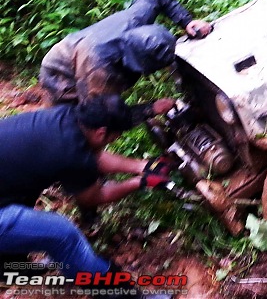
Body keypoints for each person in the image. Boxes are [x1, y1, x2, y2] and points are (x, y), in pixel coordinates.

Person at [0, 99, 172, 289]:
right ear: (101, 133)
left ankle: (9, 269)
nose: (111, 142)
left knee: (20, 197)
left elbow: (90, 157)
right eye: (112, 138)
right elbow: (93, 197)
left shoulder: (67, 116)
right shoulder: (71, 154)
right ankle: (119, 293)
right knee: (63, 236)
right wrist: (139, 182)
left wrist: (143, 167)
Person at [39, 0, 211, 126]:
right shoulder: (100, 72)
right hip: (59, 71)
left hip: (83, 48)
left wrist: (187, 21)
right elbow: (101, 116)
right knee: (70, 125)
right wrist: (150, 109)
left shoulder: (137, 18)